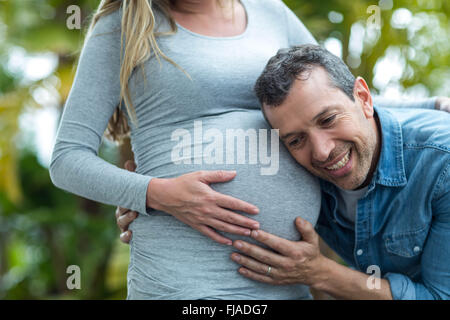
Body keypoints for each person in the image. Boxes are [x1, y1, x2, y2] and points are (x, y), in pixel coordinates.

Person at [50, 0, 441, 299]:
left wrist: (434, 106)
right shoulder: (123, 26)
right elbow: (67, 159)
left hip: (288, 281)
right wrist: (158, 194)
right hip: (184, 281)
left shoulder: (270, 10)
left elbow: (337, 93)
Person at [223, 44, 449, 300]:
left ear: (363, 99)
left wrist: (319, 273)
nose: (321, 152)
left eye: (328, 120)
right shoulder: (300, 166)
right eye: (296, 140)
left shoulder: (442, 164)